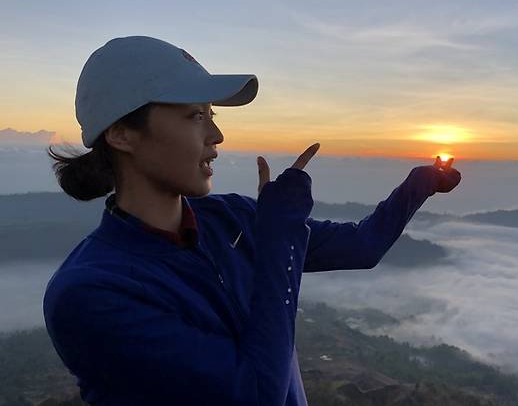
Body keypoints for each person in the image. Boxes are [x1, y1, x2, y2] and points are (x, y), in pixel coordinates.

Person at [42, 35, 462, 406]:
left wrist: (419, 184)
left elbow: (363, 246)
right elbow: (257, 393)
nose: (216, 136)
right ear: (122, 134)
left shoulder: (232, 218)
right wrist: (280, 238)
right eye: (195, 116)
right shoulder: (89, 294)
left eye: (213, 115)